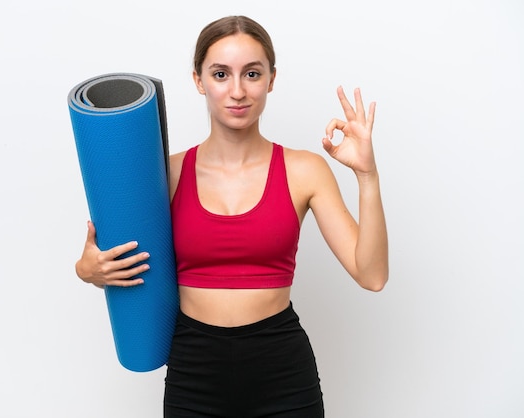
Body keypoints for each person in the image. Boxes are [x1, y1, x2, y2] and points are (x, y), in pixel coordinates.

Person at [75, 15, 388, 417]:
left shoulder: (304, 170)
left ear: (271, 79)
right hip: (194, 371)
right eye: (221, 73)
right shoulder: (163, 175)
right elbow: (105, 257)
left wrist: (367, 175)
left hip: (283, 372)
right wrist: (89, 270)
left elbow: (372, 275)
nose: (237, 91)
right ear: (198, 80)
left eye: (252, 74)